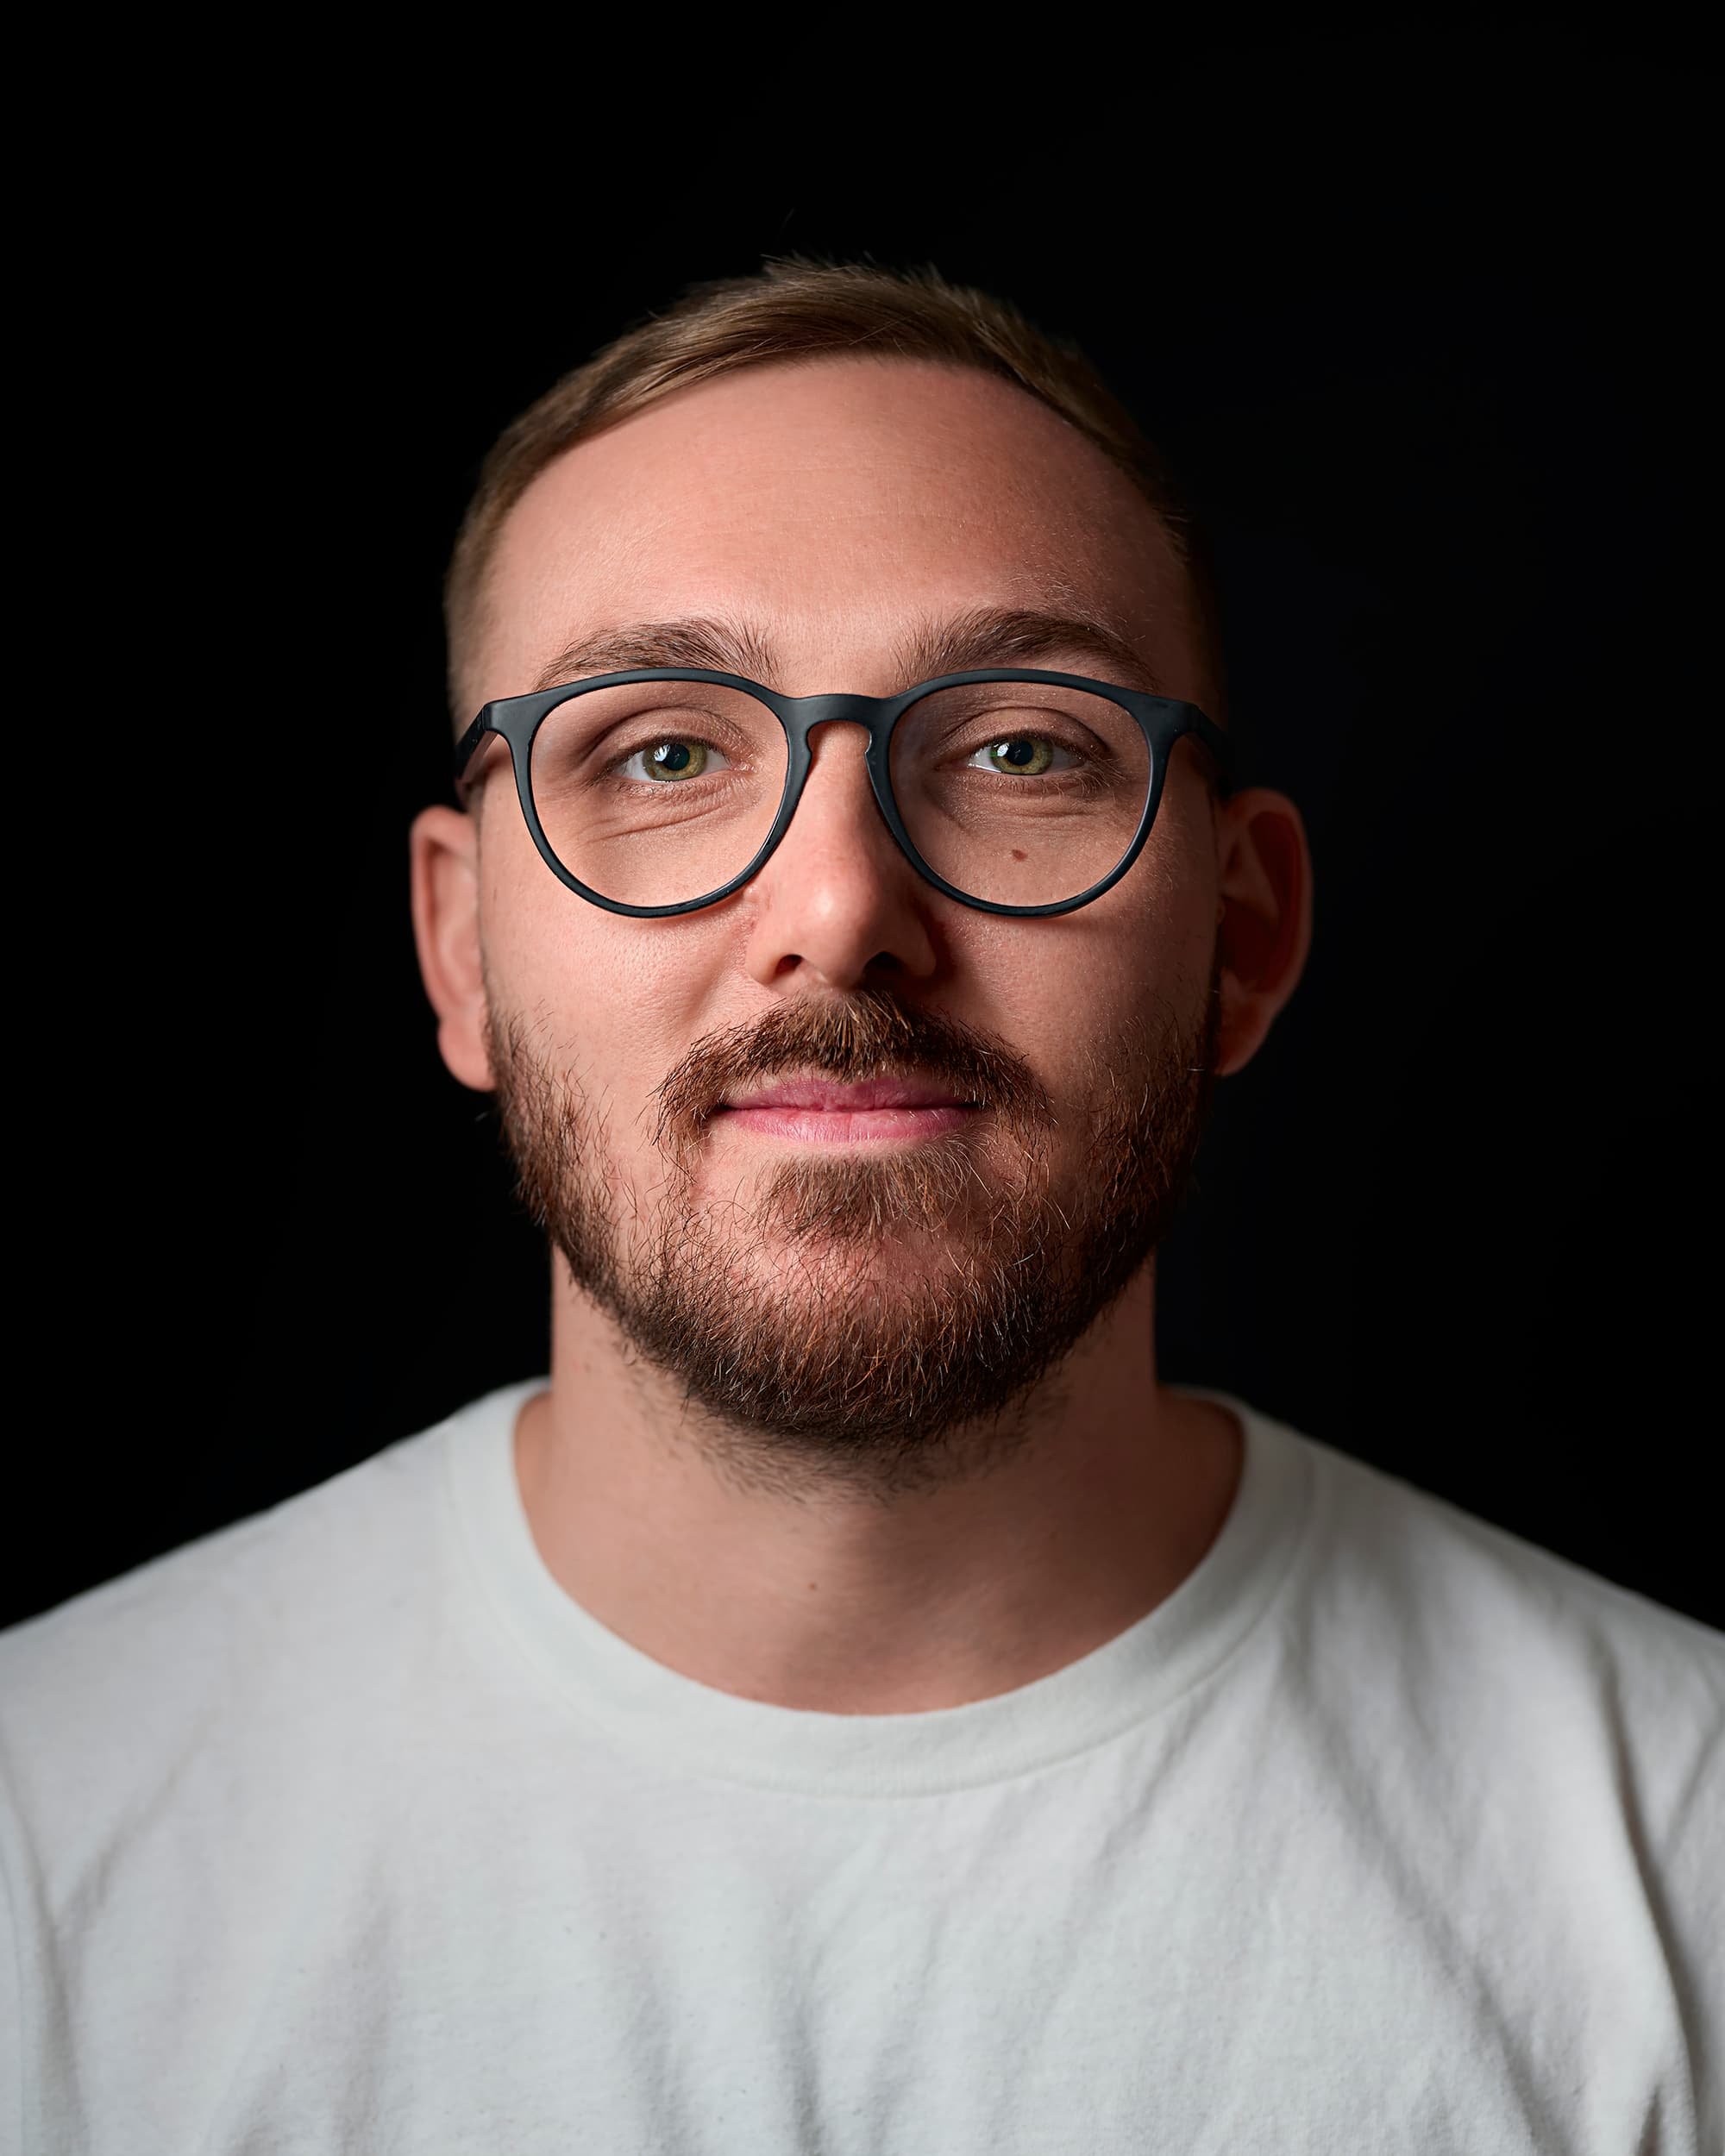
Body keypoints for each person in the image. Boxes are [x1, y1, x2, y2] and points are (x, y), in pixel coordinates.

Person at [1, 255, 1718, 2155]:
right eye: (658, 752)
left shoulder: (1680, 1844)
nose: (838, 907)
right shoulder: (46, 1841)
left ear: (1244, 933)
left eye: (1015, 751)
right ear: (460, 945)